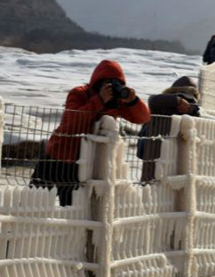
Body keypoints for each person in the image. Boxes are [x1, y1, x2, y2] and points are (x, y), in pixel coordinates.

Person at [31, 59, 150, 206]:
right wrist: (99, 100)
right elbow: (72, 122)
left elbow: (143, 118)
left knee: (72, 209)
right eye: (106, 83)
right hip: (58, 156)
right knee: (33, 202)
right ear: (97, 82)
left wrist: (133, 102)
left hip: (84, 163)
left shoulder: (117, 102)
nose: (111, 88)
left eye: (116, 84)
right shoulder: (79, 93)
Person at [139, 76, 201, 183]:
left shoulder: (161, 106)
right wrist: (178, 101)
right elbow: (153, 100)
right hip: (175, 166)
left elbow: (153, 100)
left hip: (155, 162)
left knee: (149, 189)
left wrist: (178, 101)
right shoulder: (164, 108)